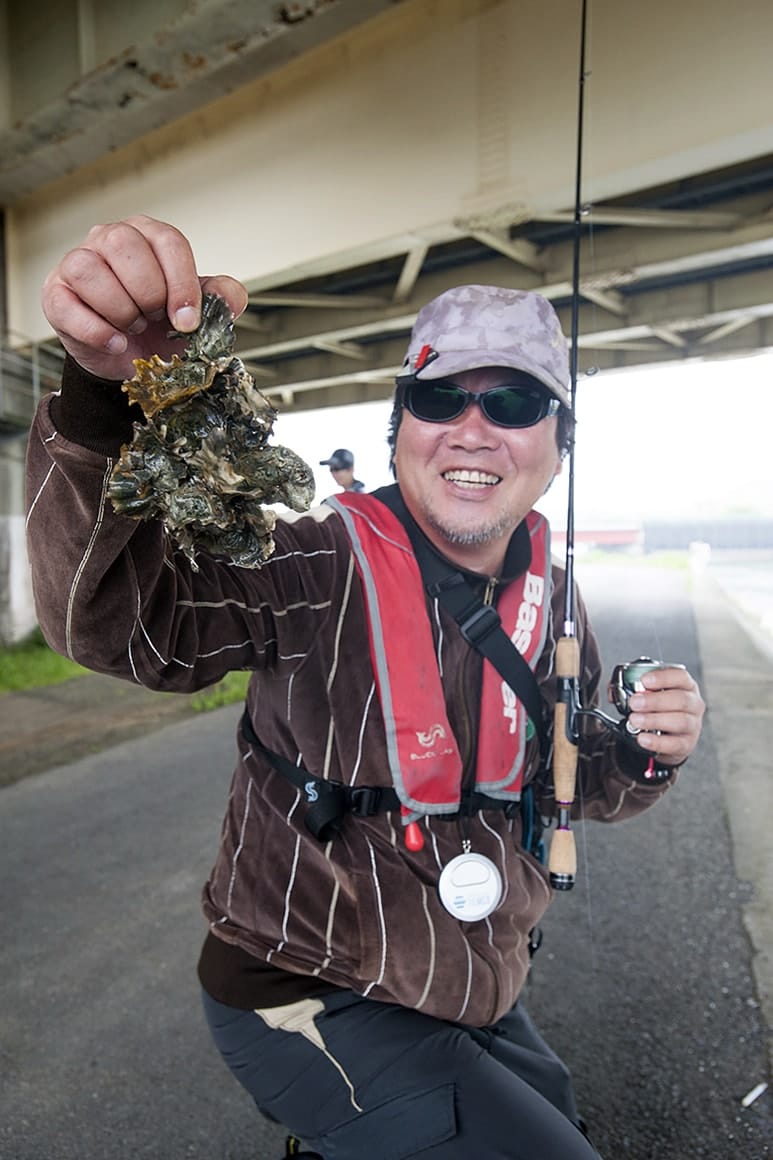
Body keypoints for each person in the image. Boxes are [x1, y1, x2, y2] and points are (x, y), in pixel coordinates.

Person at [27, 215, 704, 1160]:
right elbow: (119, 628)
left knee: (559, 1112)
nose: (475, 428)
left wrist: (642, 751)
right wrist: (108, 394)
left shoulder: (552, 595)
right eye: (438, 397)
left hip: (468, 980)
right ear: (400, 432)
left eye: (515, 402)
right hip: (302, 991)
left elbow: (576, 786)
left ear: (557, 445)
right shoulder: (308, 562)